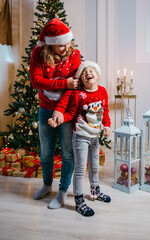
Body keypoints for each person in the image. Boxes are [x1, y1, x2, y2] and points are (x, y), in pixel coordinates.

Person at [30, 18, 81, 209]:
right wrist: (63, 82)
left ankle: (62, 191)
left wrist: (60, 109)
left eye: (67, 42)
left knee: (67, 152)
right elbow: (36, 81)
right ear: (51, 45)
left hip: (66, 110)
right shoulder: (38, 53)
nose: (66, 47)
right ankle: (46, 184)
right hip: (45, 108)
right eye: (61, 45)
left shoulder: (74, 54)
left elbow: (73, 86)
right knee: (46, 151)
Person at [48, 61, 111, 217]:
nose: (87, 73)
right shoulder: (78, 94)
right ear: (81, 79)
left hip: (95, 137)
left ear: (97, 75)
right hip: (81, 137)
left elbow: (105, 111)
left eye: (91, 71)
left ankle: (95, 191)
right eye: (84, 72)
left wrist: (107, 125)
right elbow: (71, 113)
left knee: (95, 167)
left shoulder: (102, 91)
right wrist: (59, 119)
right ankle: (79, 200)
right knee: (81, 169)